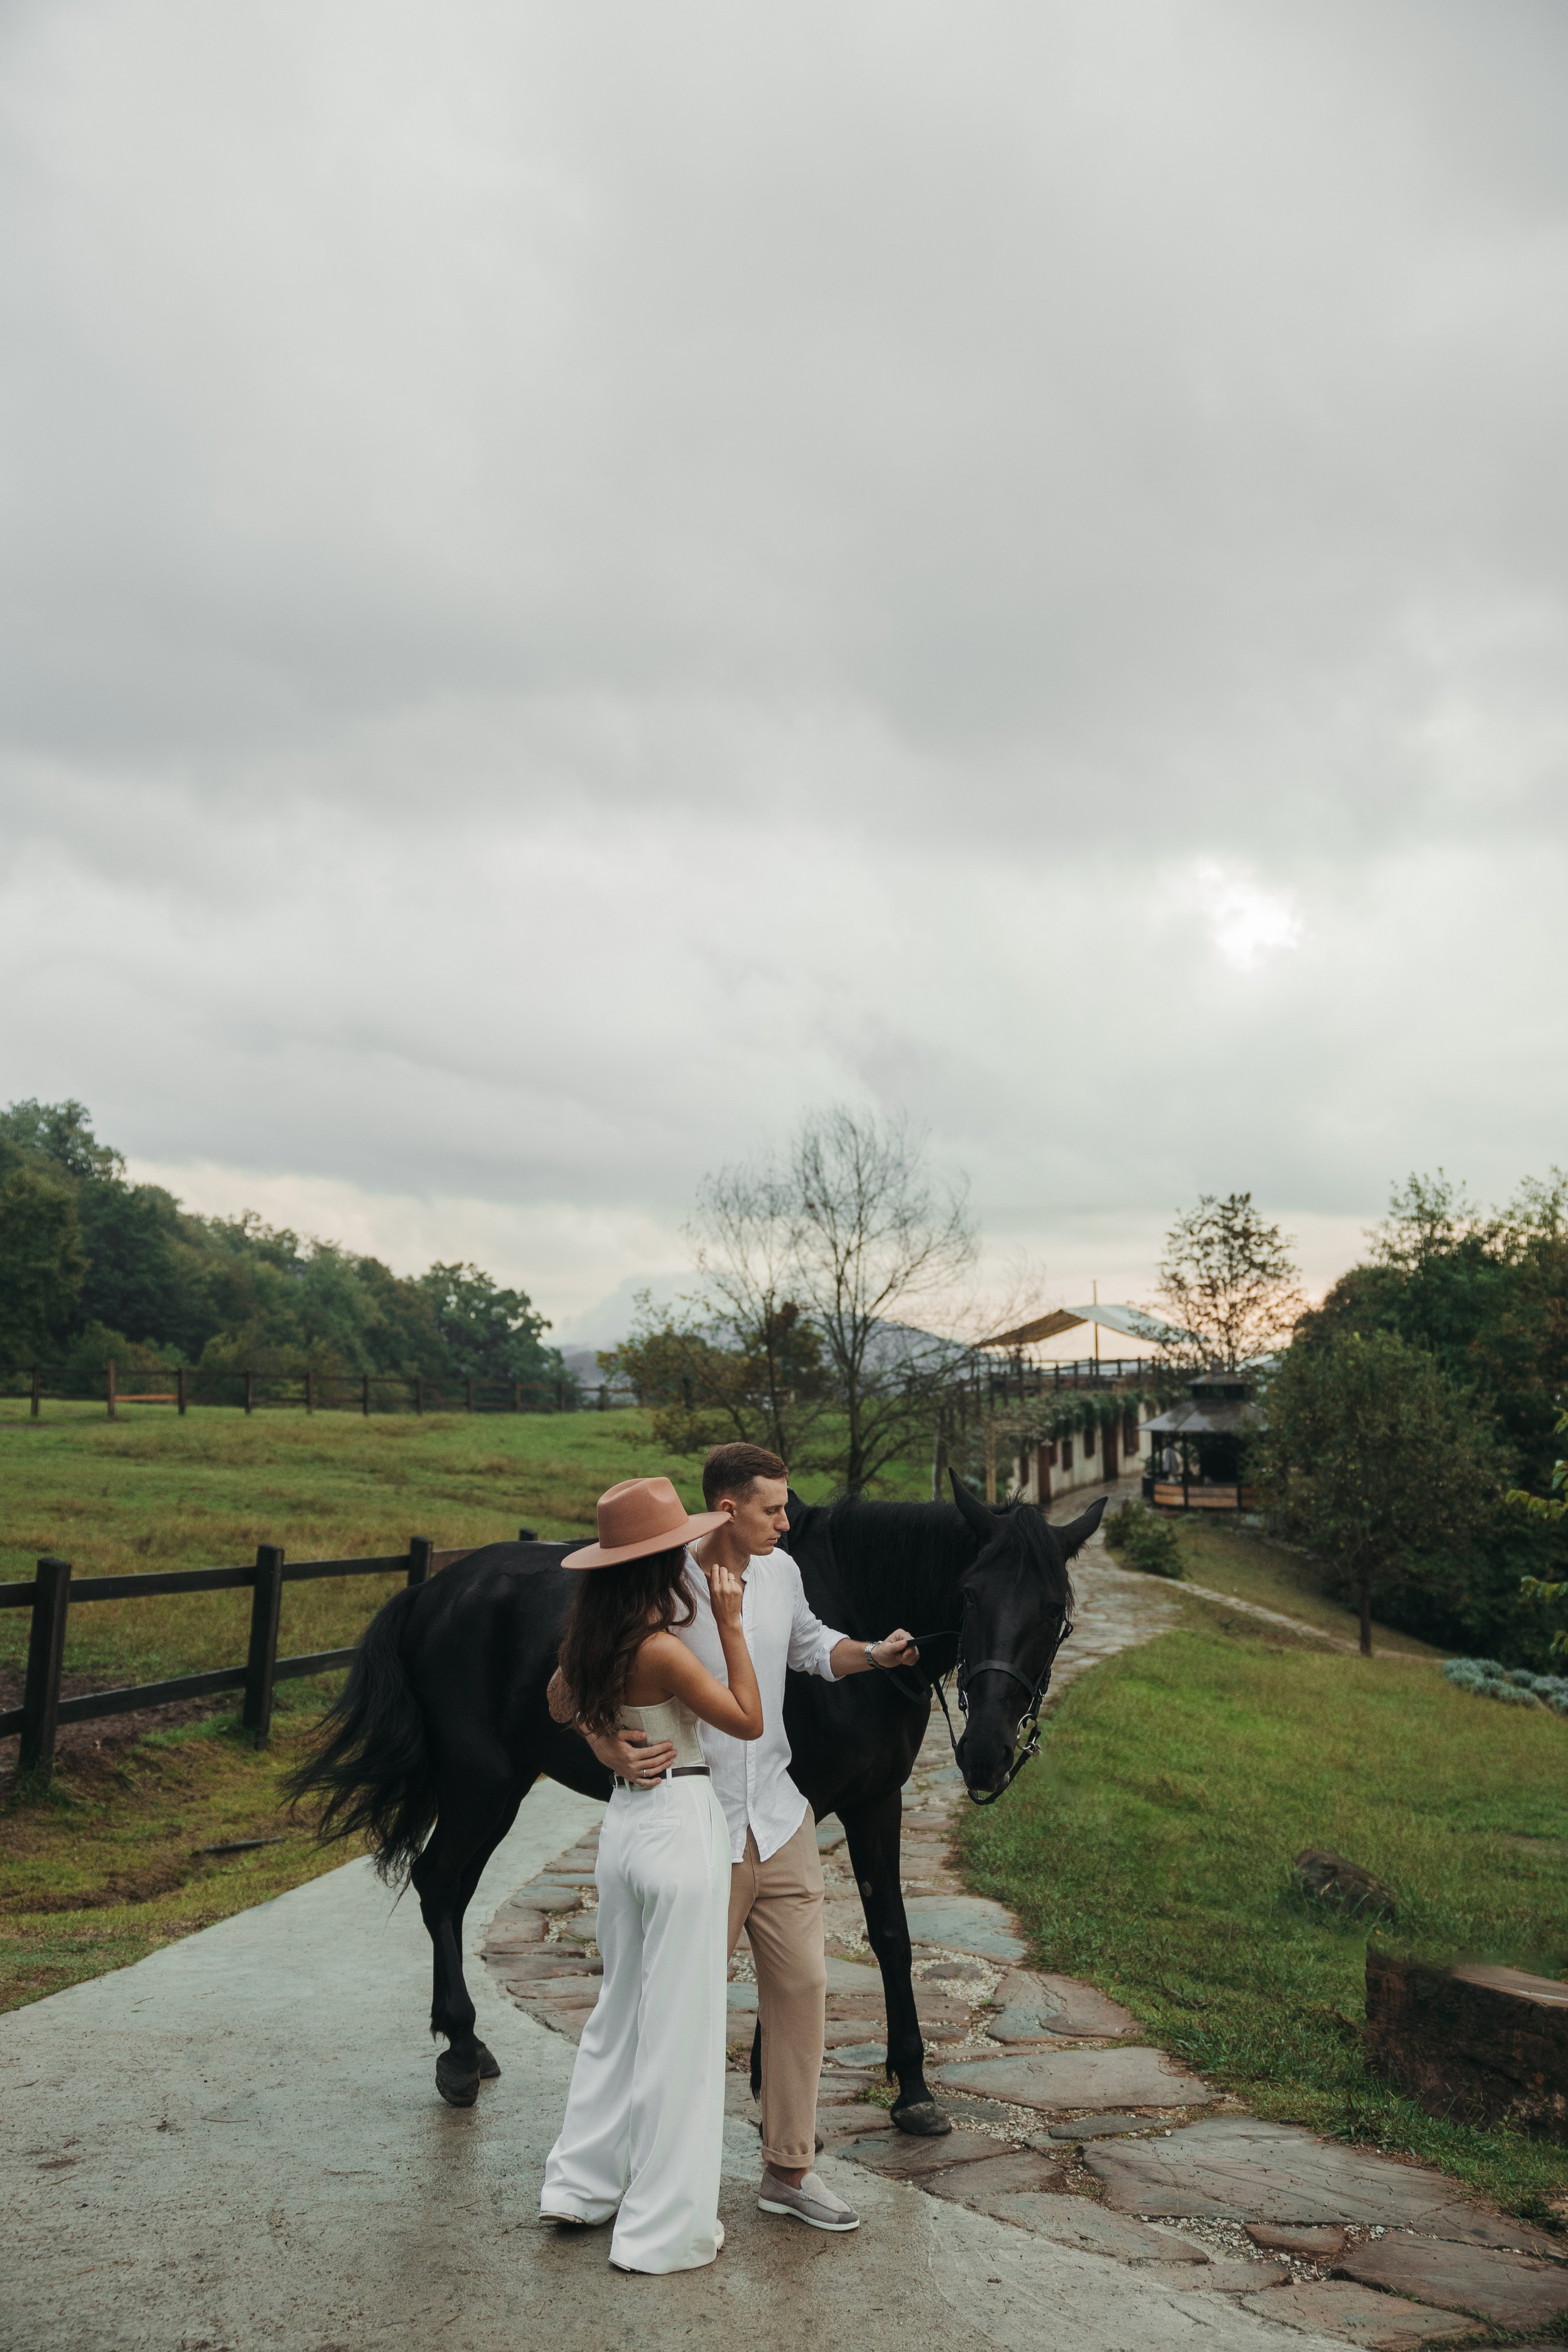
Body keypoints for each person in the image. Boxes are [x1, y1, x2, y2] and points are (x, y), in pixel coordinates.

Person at [583, 1442, 919, 2236]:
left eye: (788, 1504)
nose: (788, 1518)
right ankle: (633, 2163)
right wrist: (604, 1742)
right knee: (674, 2007)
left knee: (802, 1989)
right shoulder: (660, 1586)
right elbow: (573, 1680)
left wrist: (871, 1655)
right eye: (774, 1507)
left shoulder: (782, 1572)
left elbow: (810, 1647)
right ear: (727, 1509)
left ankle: (788, 2169)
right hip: (697, 1834)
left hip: (780, 1816)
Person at [540, 1475, 764, 2274]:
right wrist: (733, 1626)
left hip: (624, 1833)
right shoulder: (663, 1649)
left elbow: (557, 1698)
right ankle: (661, 2230)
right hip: (680, 1828)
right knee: (681, 2029)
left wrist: (606, 1739)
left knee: (618, 2011)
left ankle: (580, 2184)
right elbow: (746, 1718)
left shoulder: (591, 1637)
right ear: (657, 1563)